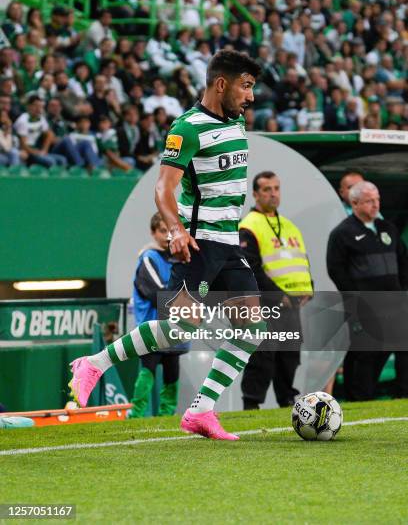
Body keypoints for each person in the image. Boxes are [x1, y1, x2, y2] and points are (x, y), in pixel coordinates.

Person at [69, 49, 269, 441]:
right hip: (198, 244)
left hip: (229, 243)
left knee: (252, 326)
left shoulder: (237, 122)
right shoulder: (186, 128)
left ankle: (202, 410)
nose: (251, 96)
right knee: (178, 331)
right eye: (246, 86)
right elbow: (163, 188)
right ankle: (93, 363)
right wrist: (177, 230)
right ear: (221, 84)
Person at [327, 181, 408, 401]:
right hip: (365, 306)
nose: (375, 204)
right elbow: (336, 270)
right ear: (354, 203)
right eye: (369, 201)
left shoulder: (387, 229)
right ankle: (361, 399)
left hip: (394, 305)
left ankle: (402, 395)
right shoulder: (342, 233)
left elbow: (403, 261)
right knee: (366, 353)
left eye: (377, 199)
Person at [239, 171, 313, 408]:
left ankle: (287, 400)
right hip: (264, 304)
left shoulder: (290, 226)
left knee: (290, 354)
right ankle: (251, 404)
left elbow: (301, 260)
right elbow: (251, 268)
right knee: (263, 355)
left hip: (292, 305)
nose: (273, 194)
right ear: (255, 194)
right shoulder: (248, 226)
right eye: (267, 189)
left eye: (276, 188)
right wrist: (279, 295)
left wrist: (309, 287)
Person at [129, 212, 186, 418]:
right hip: (152, 328)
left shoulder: (179, 257)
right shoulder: (148, 258)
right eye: (163, 231)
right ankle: (135, 414)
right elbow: (156, 294)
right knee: (148, 370)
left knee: (172, 374)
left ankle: (167, 415)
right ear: (153, 233)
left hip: (174, 328)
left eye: (171, 231)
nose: (167, 236)